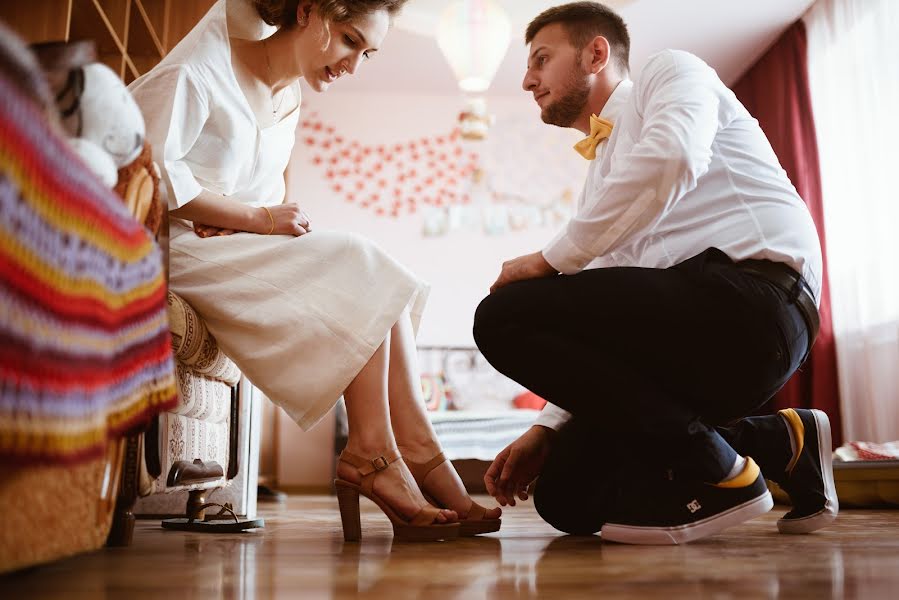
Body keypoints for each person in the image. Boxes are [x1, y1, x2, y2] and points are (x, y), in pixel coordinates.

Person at [128, 0, 500, 541]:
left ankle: (409, 447)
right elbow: (150, 169)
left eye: (366, 52)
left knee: (376, 275)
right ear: (307, 11)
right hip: (173, 250)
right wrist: (249, 216)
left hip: (226, 246)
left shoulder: (288, 95)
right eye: (349, 40)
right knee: (356, 260)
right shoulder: (198, 69)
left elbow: (257, 196)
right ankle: (382, 452)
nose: (353, 64)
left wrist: (240, 217)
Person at [473, 1, 837, 545]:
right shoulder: (601, 182)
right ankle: (779, 441)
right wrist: (545, 428)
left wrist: (547, 261)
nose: (528, 80)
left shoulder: (669, 72)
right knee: (566, 496)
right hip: (687, 342)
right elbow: (592, 330)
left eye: (541, 60)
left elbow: (671, 156)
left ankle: (723, 472)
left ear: (596, 53)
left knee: (502, 315)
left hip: (756, 306)